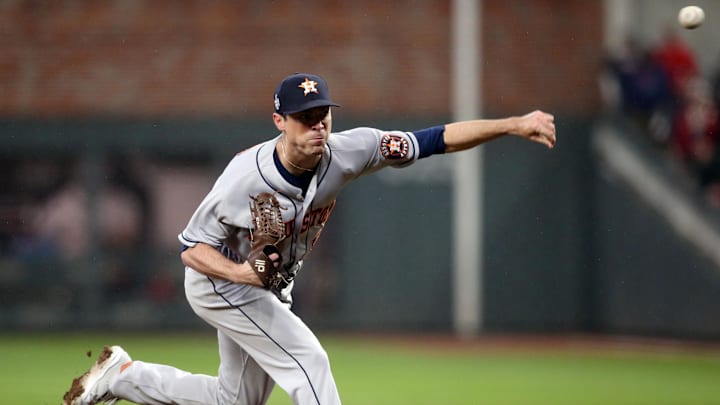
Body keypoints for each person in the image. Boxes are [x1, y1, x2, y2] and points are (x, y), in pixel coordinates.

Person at [63, 72, 556, 405]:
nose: (318, 124)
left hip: (268, 284)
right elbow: (191, 248)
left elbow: (435, 140)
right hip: (221, 280)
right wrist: (241, 274)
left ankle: (123, 378)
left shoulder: (352, 150)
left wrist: (514, 124)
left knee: (234, 401)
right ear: (279, 121)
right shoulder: (243, 178)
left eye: (323, 113)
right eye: (305, 116)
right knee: (308, 361)